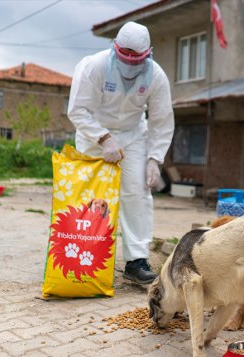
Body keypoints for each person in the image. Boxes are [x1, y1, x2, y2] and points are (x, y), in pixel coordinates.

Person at [67, 21, 174, 285]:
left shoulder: (156, 76)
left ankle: (136, 261)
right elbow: (78, 110)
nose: (130, 65)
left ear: (147, 54)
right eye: (125, 57)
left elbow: (161, 120)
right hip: (94, 134)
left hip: (133, 135)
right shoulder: (95, 66)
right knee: (92, 195)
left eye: (136, 59)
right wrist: (103, 138)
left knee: (137, 193)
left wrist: (154, 159)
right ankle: (86, 253)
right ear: (115, 48)